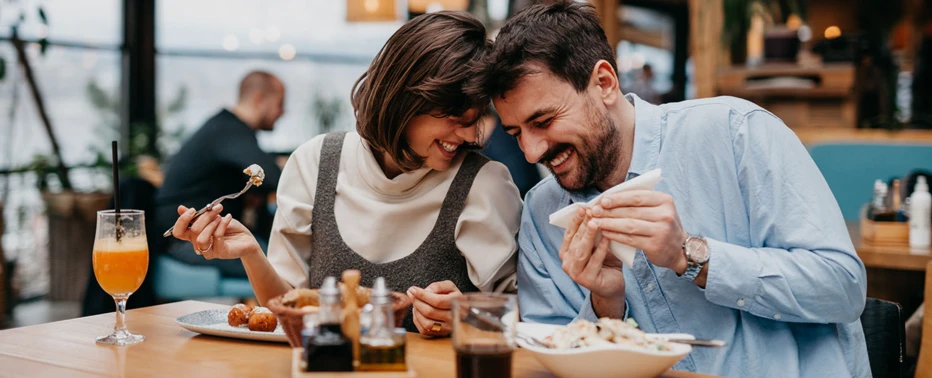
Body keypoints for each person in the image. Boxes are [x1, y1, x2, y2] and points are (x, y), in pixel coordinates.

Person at [469, 2, 870, 377]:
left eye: (544, 121)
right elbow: (550, 355)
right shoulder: (542, 214)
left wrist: (691, 255)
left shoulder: (736, 132)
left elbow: (843, 287)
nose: (532, 150)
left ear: (604, 83)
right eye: (516, 132)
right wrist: (605, 306)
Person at [168, 12, 521, 336]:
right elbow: (287, 312)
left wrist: (466, 315)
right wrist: (250, 253)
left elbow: (527, 317)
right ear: (403, 99)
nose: (466, 135)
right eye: (454, 118)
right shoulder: (315, 163)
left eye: (473, 120)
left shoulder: (484, 184)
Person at [155, 71, 285, 278]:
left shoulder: (223, 128)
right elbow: (273, 176)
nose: (282, 112)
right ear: (259, 99)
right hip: (185, 239)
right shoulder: (229, 131)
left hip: (191, 234)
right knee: (288, 266)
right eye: (280, 103)